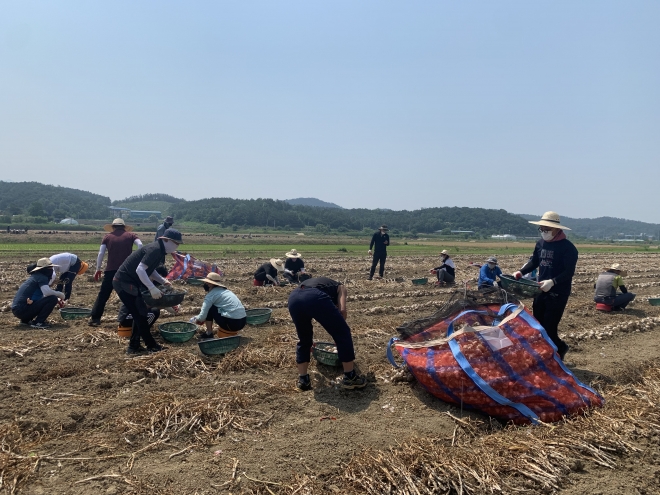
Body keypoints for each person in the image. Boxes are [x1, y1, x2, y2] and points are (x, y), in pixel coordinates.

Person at [513, 211, 578, 361]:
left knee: (549, 326)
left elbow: (569, 272)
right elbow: (535, 261)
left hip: (558, 293)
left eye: (546, 230)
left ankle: (560, 348)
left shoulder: (568, 248)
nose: (543, 232)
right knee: (537, 324)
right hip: (540, 289)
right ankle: (543, 353)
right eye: (541, 229)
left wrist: (553, 282)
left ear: (556, 229)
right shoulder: (540, 244)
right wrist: (521, 272)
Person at [288, 277, 367, 391]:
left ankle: (303, 380)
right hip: (314, 296)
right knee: (343, 332)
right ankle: (350, 377)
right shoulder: (341, 287)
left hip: (294, 297)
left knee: (304, 339)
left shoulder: (322, 284)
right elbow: (342, 311)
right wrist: (339, 337)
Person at [113, 228, 184, 354]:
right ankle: (148, 345)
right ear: (166, 240)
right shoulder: (155, 249)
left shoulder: (159, 251)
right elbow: (140, 270)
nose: (176, 246)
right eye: (176, 243)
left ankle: (135, 346)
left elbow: (149, 269)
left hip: (129, 283)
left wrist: (162, 281)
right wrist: (152, 288)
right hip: (124, 282)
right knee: (140, 314)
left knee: (140, 314)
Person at [89, 218, 142, 326]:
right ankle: (129, 318)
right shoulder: (131, 236)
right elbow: (140, 245)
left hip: (111, 270)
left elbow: (101, 253)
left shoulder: (107, 237)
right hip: (126, 271)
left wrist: (98, 269)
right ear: (124, 227)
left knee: (103, 295)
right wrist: (135, 259)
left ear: (113, 227)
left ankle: (95, 319)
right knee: (129, 294)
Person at [189, 272, 247, 339]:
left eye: (206, 283)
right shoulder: (226, 292)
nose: (204, 284)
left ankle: (209, 333)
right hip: (243, 322)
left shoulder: (210, 296)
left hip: (232, 324)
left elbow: (202, 317)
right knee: (214, 308)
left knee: (210, 308)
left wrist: (195, 320)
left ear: (210, 284)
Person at [12, 258, 65, 329]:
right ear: (44, 269)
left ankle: (25, 320)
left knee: (50, 298)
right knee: (52, 299)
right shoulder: (41, 277)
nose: (51, 270)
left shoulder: (36, 277)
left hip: (18, 310)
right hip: (22, 310)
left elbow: (43, 295)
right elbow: (47, 292)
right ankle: (38, 322)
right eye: (50, 268)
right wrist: (60, 294)